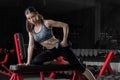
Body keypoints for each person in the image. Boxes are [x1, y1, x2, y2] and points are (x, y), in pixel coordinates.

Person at [22, 6, 96, 80]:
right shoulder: (31, 30)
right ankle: (59, 60)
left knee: (80, 68)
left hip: (61, 48)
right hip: (51, 51)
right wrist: (28, 62)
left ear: (37, 14)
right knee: (35, 62)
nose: (32, 19)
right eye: (29, 18)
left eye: (33, 16)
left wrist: (64, 40)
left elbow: (65, 25)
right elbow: (31, 45)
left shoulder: (47, 22)